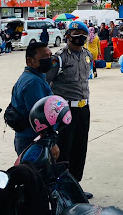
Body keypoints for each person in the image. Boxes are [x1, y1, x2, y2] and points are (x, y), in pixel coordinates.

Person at [45, 20, 93, 196]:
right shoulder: (59, 58)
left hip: (83, 108)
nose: (80, 39)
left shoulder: (88, 55)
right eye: (76, 36)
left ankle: (75, 187)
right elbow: (46, 83)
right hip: (65, 111)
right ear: (67, 37)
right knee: (64, 149)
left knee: (80, 148)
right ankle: (61, 189)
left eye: (83, 36)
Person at [10, 41, 61, 159]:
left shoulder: (33, 77)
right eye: (44, 57)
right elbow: (39, 117)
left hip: (29, 138)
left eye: (50, 55)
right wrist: (51, 142)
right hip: (33, 140)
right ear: (30, 61)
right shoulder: (33, 82)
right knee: (38, 175)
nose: (49, 59)